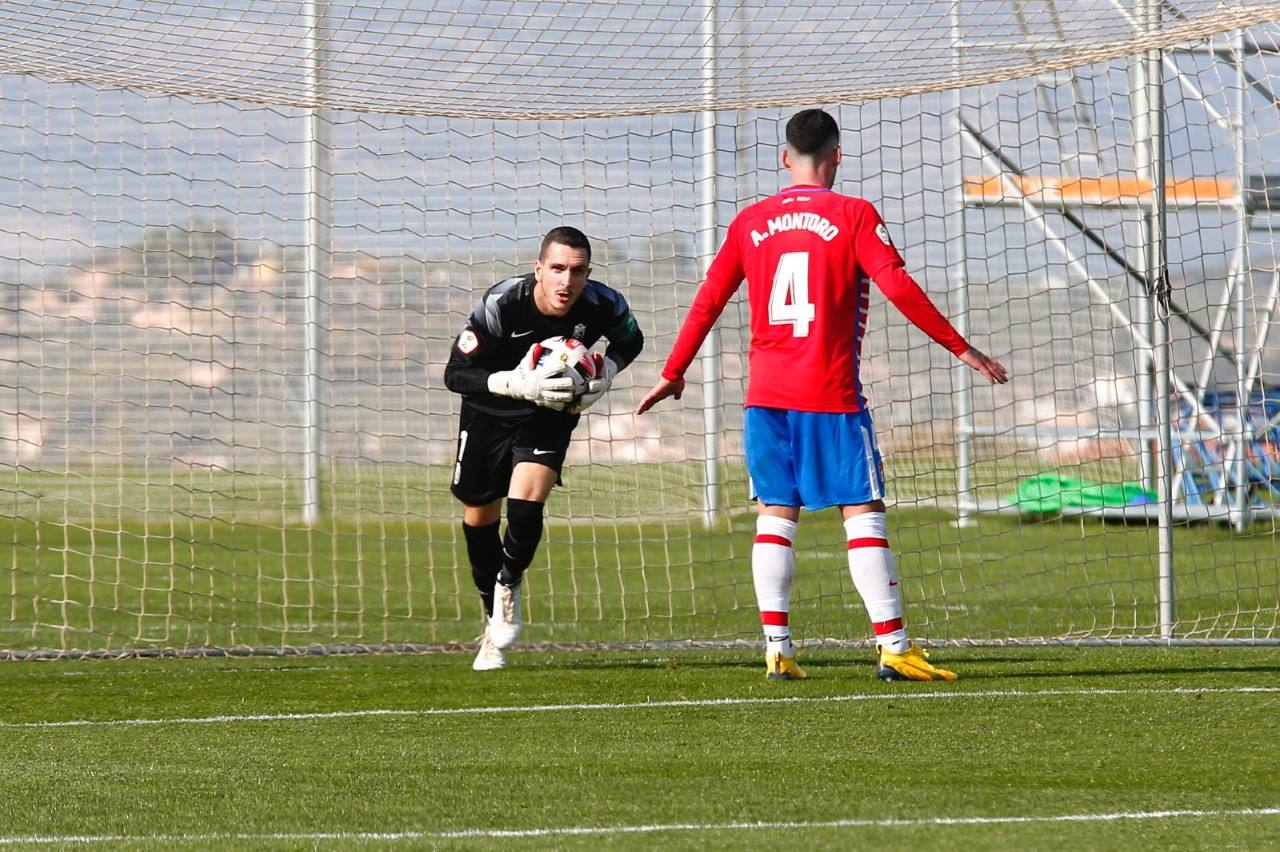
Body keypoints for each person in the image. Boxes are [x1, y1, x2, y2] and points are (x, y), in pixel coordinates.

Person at [636, 109, 1007, 682]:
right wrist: (962, 348)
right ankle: (894, 647)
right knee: (863, 514)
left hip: (765, 400)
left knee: (775, 518)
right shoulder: (854, 213)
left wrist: (673, 369)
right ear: (836, 155)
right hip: (830, 394)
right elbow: (898, 286)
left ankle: (778, 647)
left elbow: (709, 297)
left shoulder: (749, 220)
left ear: (786, 158)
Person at [445, 226, 644, 671]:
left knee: (527, 506)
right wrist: (515, 382)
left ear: (588, 273)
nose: (565, 281)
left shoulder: (604, 304)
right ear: (539, 269)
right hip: (488, 413)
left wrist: (607, 369)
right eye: (556, 269)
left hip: (549, 413)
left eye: (576, 271)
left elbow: (632, 340)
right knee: (479, 517)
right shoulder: (502, 303)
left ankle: (508, 584)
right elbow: (455, 374)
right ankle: (492, 620)